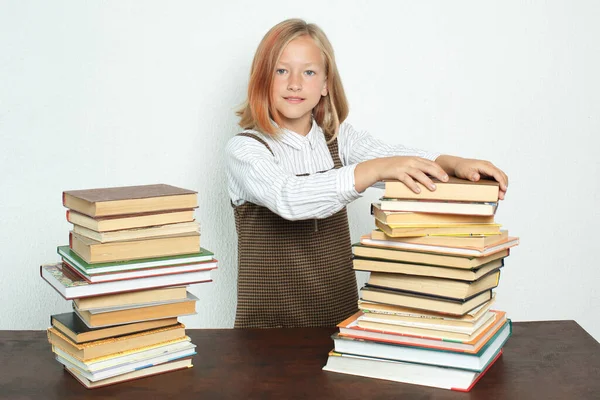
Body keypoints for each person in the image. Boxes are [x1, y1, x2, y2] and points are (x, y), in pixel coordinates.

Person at [225, 18, 508, 328]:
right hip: (267, 332)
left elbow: (392, 156)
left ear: (325, 84)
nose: (295, 83)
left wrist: (451, 163)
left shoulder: (338, 139)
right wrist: (372, 171)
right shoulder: (245, 150)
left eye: (309, 72)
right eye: (281, 70)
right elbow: (288, 198)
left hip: (340, 321)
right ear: (262, 79)